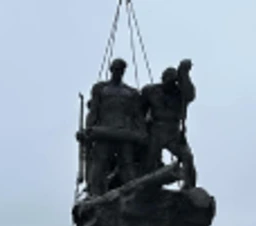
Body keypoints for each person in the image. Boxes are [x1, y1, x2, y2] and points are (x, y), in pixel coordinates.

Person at [81, 58, 146, 196]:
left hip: (125, 133)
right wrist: (89, 129)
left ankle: (133, 195)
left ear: (123, 72)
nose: (118, 72)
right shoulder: (100, 88)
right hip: (104, 132)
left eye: (121, 70)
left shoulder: (132, 92)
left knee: (127, 164)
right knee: (99, 163)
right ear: (111, 70)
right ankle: (94, 194)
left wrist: (142, 132)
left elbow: (137, 115)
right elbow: (94, 111)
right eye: (115, 69)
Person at [140, 59, 197, 189]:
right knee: (150, 162)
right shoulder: (151, 91)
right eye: (167, 80)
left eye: (173, 81)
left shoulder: (181, 94)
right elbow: (140, 110)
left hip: (174, 131)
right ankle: (146, 187)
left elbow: (190, 95)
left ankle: (189, 186)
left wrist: (184, 73)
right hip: (156, 130)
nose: (169, 83)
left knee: (187, 157)